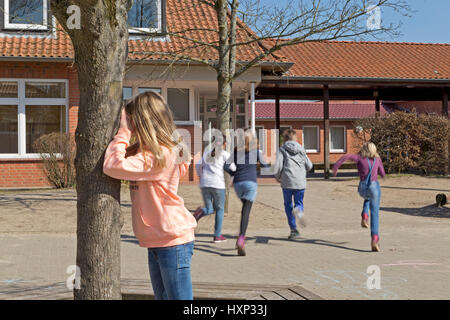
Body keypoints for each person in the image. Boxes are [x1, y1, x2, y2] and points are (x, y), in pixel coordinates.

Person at [103, 91, 197, 300]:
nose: (130, 126)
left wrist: (123, 133)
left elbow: (111, 166)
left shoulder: (159, 155)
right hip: (158, 240)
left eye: (132, 121)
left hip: (172, 241)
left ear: (143, 122)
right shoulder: (148, 154)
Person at [224, 130, 270, 256]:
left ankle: (240, 238)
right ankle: (241, 238)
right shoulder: (256, 151)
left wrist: (235, 174)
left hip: (238, 184)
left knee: (245, 208)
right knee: (246, 212)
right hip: (250, 183)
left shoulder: (236, 151)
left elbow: (225, 166)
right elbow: (266, 167)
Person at [332, 142, 386, 252]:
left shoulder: (359, 158)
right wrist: (382, 174)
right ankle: (375, 238)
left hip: (362, 187)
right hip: (374, 187)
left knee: (367, 196)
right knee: (375, 213)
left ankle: (365, 215)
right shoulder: (378, 160)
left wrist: (336, 167)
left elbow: (346, 156)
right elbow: (382, 173)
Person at [274, 129, 313, 240]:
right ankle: (299, 211)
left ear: (285, 139)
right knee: (299, 202)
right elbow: (309, 165)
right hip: (300, 182)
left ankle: (293, 229)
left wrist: (278, 177)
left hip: (287, 181)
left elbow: (278, 167)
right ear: (296, 138)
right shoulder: (301, 149)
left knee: (287, 205)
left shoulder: (282, 150)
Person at [194, 134, 230, 243]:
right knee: (220, 209)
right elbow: (233, 167)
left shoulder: (206, 153)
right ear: (224, 144)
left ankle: (201, 212)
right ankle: (217, 235)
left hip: (205, 183)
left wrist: (200, 175)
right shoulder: (225, 154)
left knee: (209, 209)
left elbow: (198, 165)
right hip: (218, 184)